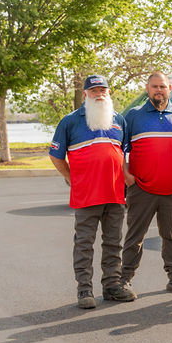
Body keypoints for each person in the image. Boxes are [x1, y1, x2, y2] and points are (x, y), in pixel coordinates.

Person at [49, 75, 135, 309]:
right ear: (85, 93)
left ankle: (112, 286)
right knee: (85, 243)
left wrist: (126, 176)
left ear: (109, 93)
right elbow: (56, 155)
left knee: (113, 243)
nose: (99, 94)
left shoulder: (118, 120)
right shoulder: (70, 121)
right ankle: (84, 289)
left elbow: (123, 154)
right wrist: (71, 178)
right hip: (86, 195)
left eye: (103, 90)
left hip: (115, 194)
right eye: (94, 90)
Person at [119, 72, 172, 296]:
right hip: (141, 189)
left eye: (162, 86)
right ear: (147, 88)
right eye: (154, 86)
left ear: (169, 88)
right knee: (135, 236)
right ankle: (124, 279)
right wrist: (127, 177)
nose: (158, 90)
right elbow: (119, 150)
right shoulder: (133, 116)